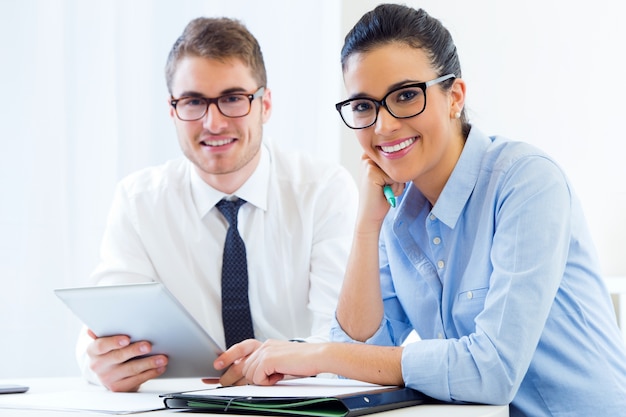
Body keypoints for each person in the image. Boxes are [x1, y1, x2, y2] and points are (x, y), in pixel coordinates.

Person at [230, 4, 626, 416]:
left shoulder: (526, 182)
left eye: (405, 96)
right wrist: (368, 226)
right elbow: (357, 357)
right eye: (364, 106)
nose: (383, 126)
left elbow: (492, 371)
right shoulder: (396, 212)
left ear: (454, 97)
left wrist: (320, 356)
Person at [76, 16, 358, 392]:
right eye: (193, 102)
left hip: (293, 402)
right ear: (173, 111)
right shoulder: (138, 201)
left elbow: (341, 336)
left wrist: (284, 363)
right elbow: (109, 321)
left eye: (232, 99)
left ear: (265, 104)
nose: (213, 122)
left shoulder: (324, 190)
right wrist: (97, 361)